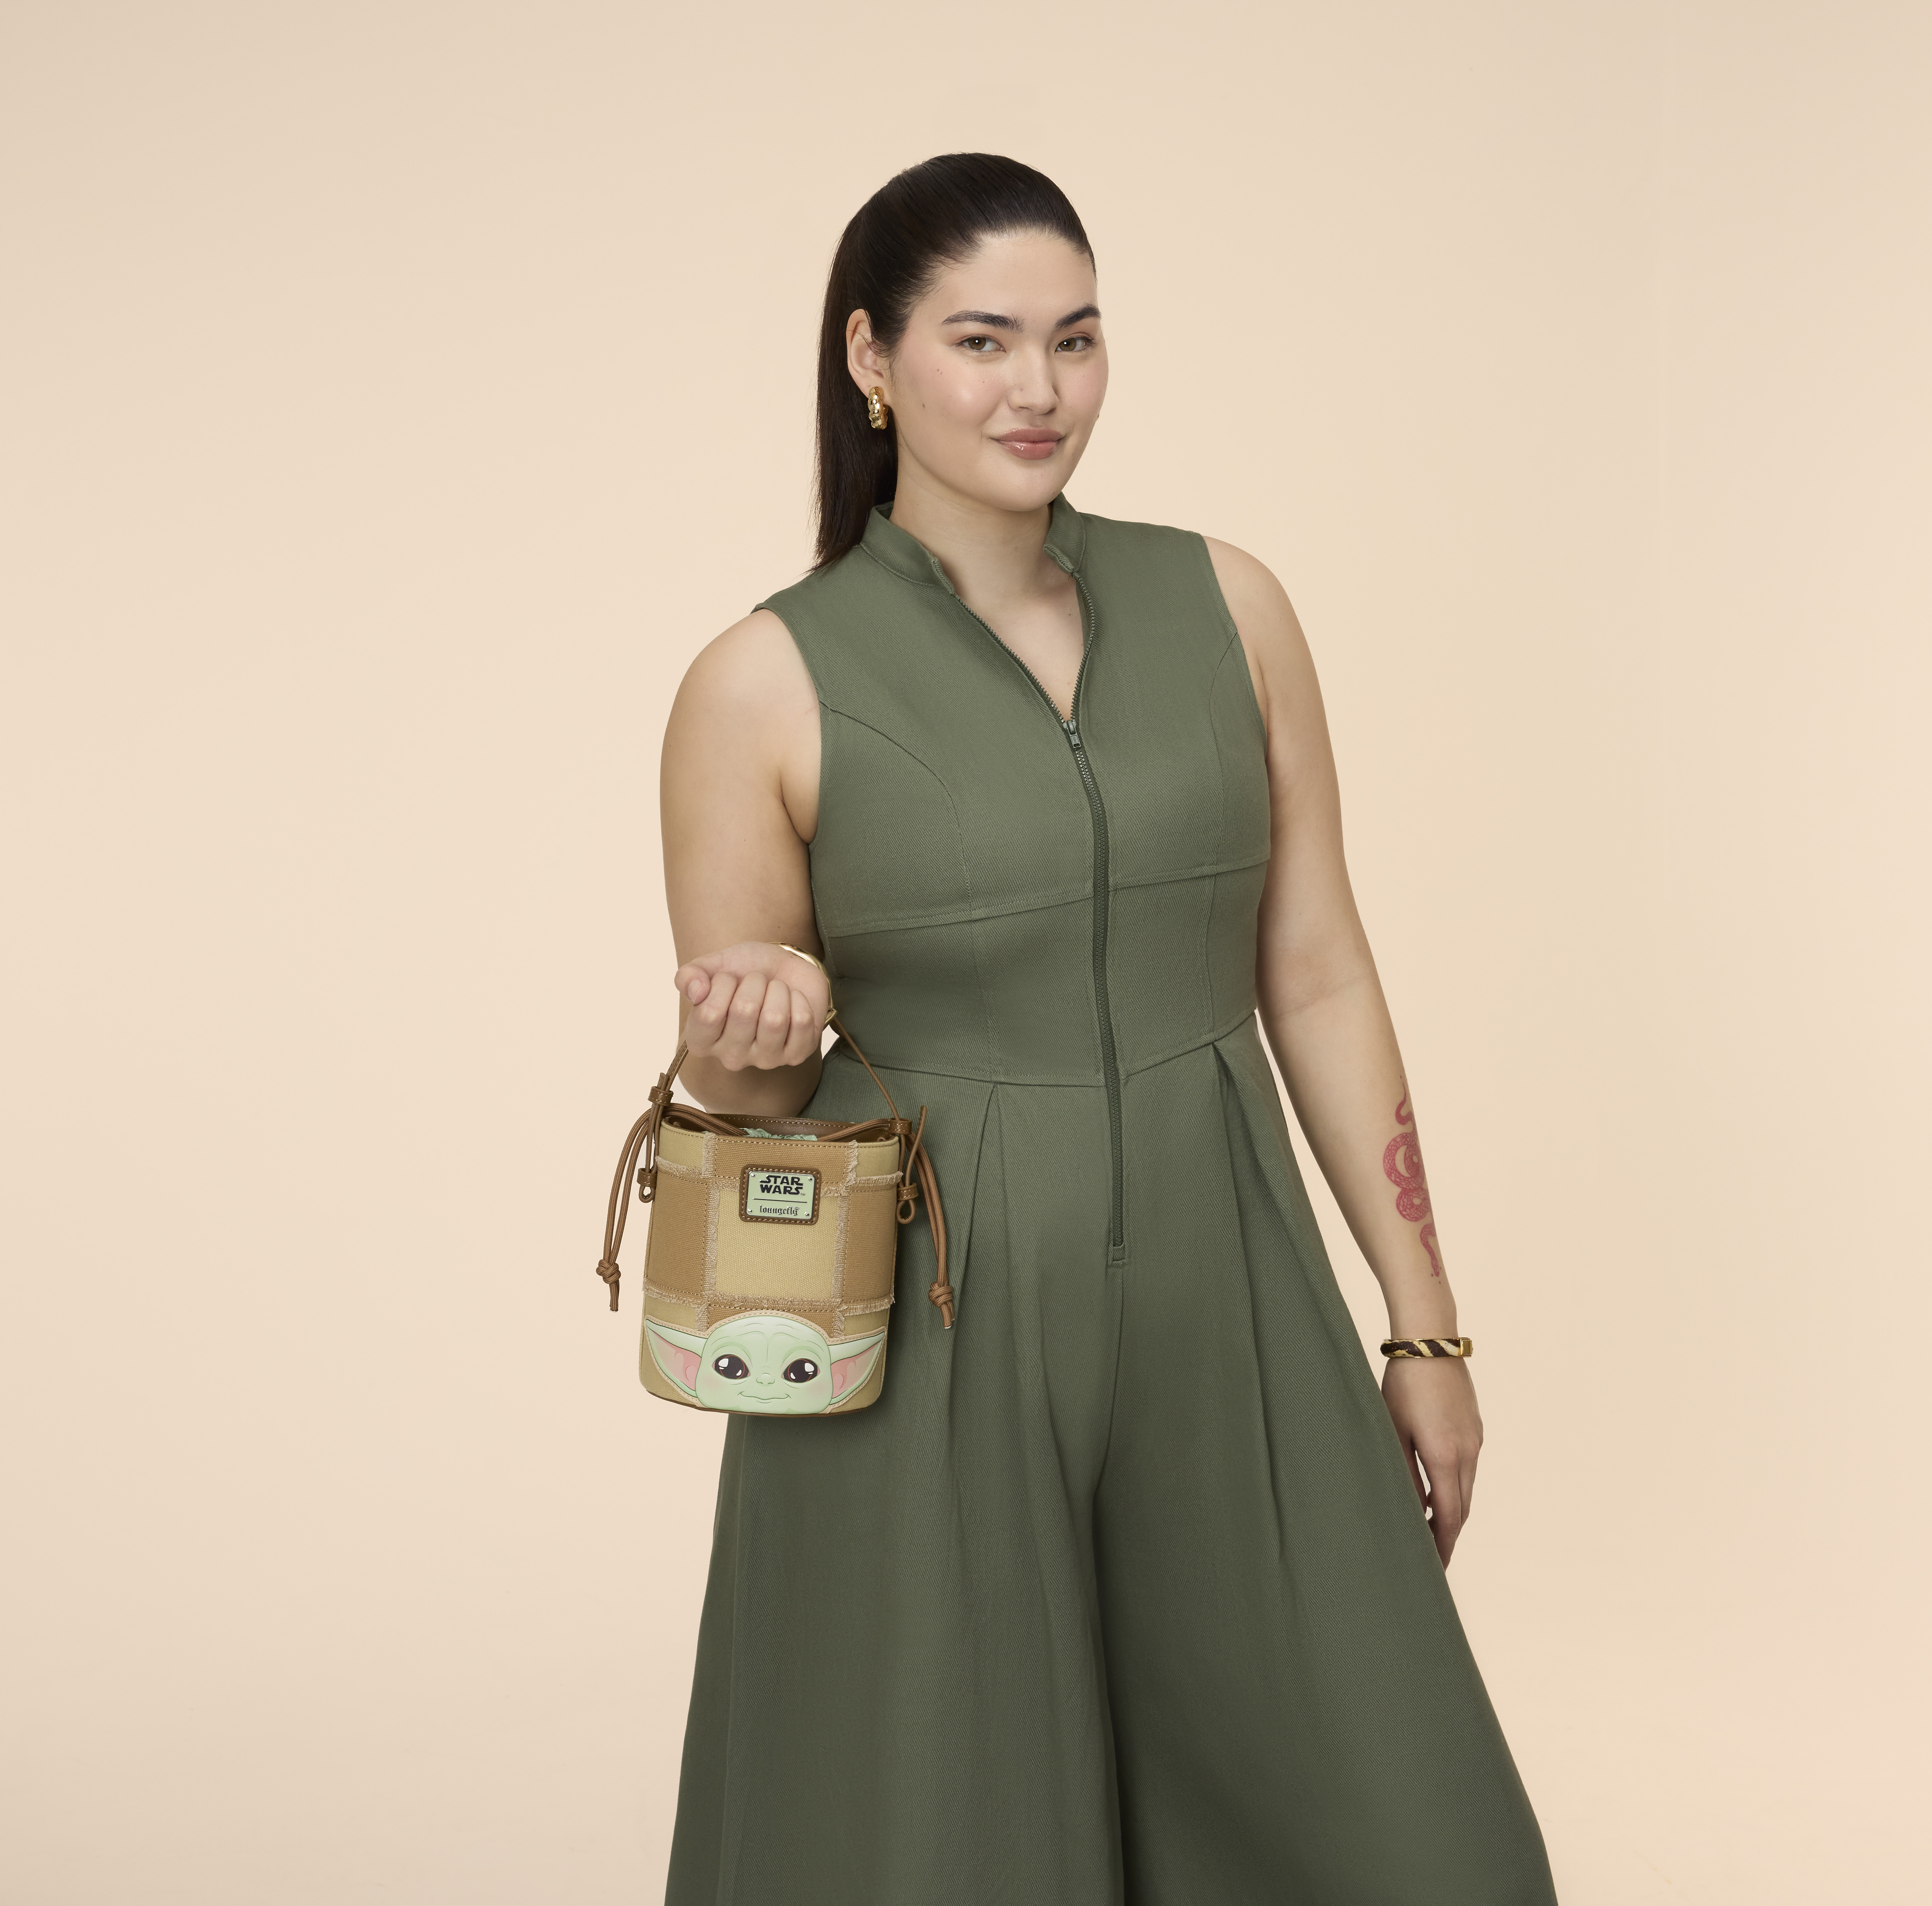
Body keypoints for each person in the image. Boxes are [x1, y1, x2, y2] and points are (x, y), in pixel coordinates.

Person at [653, 152, 1556, 1906]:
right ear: (870, 357)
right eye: (980, 340)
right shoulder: (758, 682)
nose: (1036, 389)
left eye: (1073, 339)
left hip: (1228, 1286)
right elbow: (740, 1084)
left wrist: (1423, 1330)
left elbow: (1315, 968)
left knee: (1406, 1825)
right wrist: (754, 1030)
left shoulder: (1226, 605)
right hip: (926, 1316)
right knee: (932, 1837)